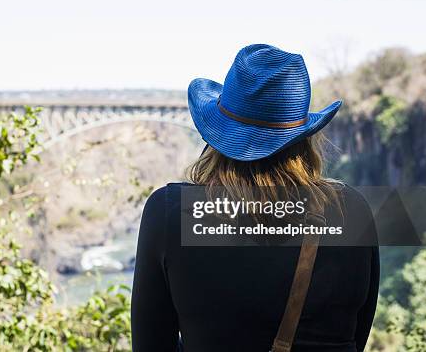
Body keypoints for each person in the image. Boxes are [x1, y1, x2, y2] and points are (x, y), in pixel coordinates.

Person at [131, 44, 379, 352]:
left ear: (218, 134)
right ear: (303, 139)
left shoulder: (171, 213)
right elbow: (357, 336)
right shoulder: (352, 211)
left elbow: (150, 344)